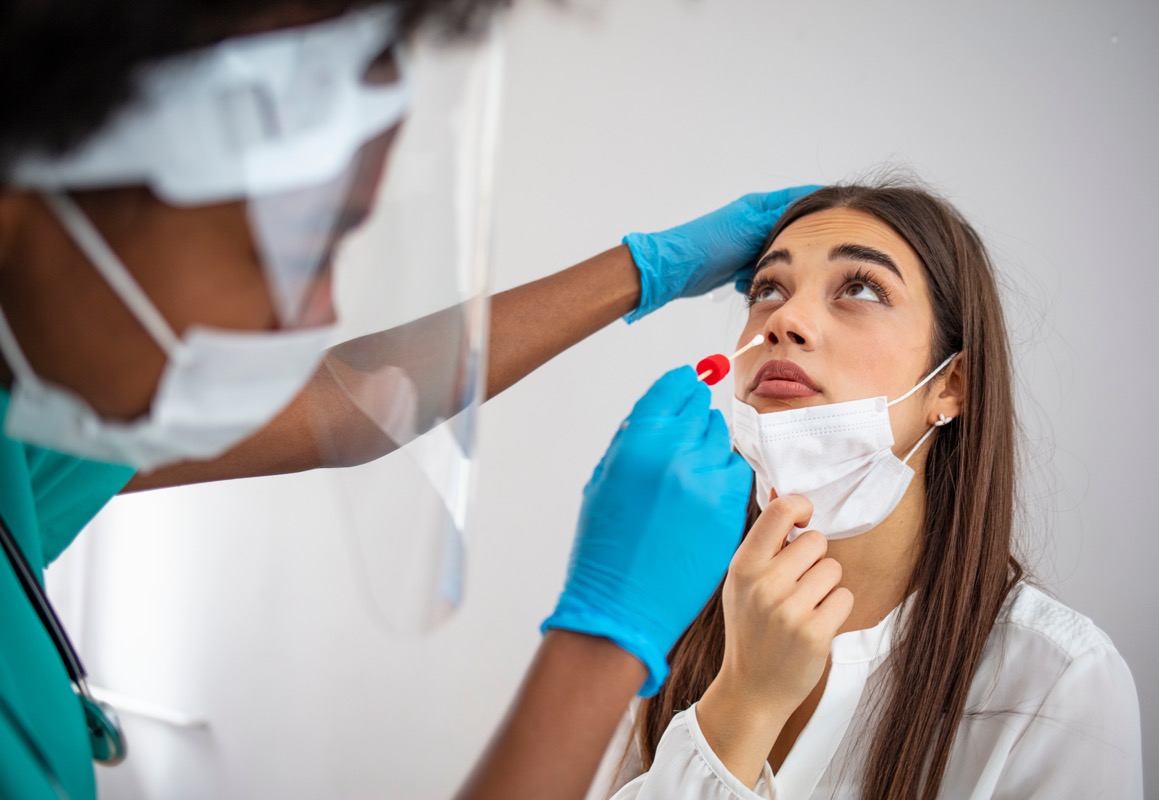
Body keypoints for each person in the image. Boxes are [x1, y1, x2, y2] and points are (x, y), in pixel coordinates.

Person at [0, 2, 807, 797]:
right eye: (296, 248)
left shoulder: (21, 435)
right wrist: (606, 640)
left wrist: (649, 269)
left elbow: (344, 406)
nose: (318, 314)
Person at [601, 183, 1143, 799]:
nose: (784, 321)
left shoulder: (1058, 684)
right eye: (768, 290)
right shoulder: (674, 633)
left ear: (952, 385)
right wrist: (740, 703)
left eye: (860, 288)